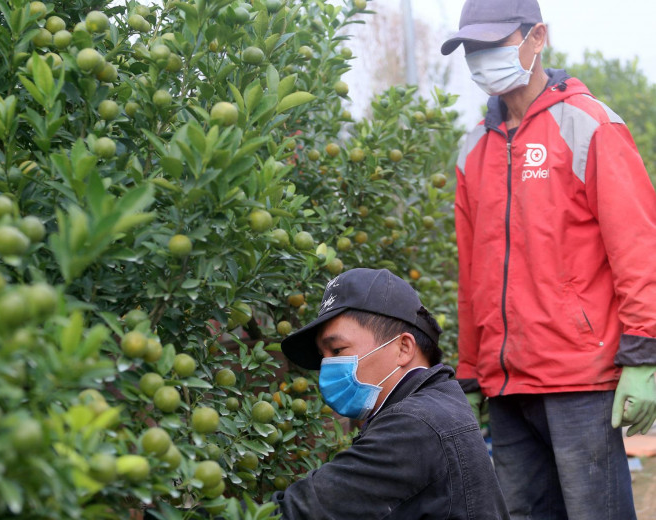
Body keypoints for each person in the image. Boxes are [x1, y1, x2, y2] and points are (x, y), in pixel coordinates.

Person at [440, 0, 656, 518]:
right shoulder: (474, 150)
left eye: (494, 43)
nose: (481, 57)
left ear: (537, 37)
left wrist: (644, 355)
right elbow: (472, 275)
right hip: (507, 385)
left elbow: (639, 248)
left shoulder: (590, 125)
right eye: (473, 47)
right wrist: (470, 372)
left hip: (580, 379)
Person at [274, 268, 509, 519]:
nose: (326, 366)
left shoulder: (415, 425)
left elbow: (306, 512)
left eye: (337, 350)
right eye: (323, 357)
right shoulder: (436, 402)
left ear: (403, 348)